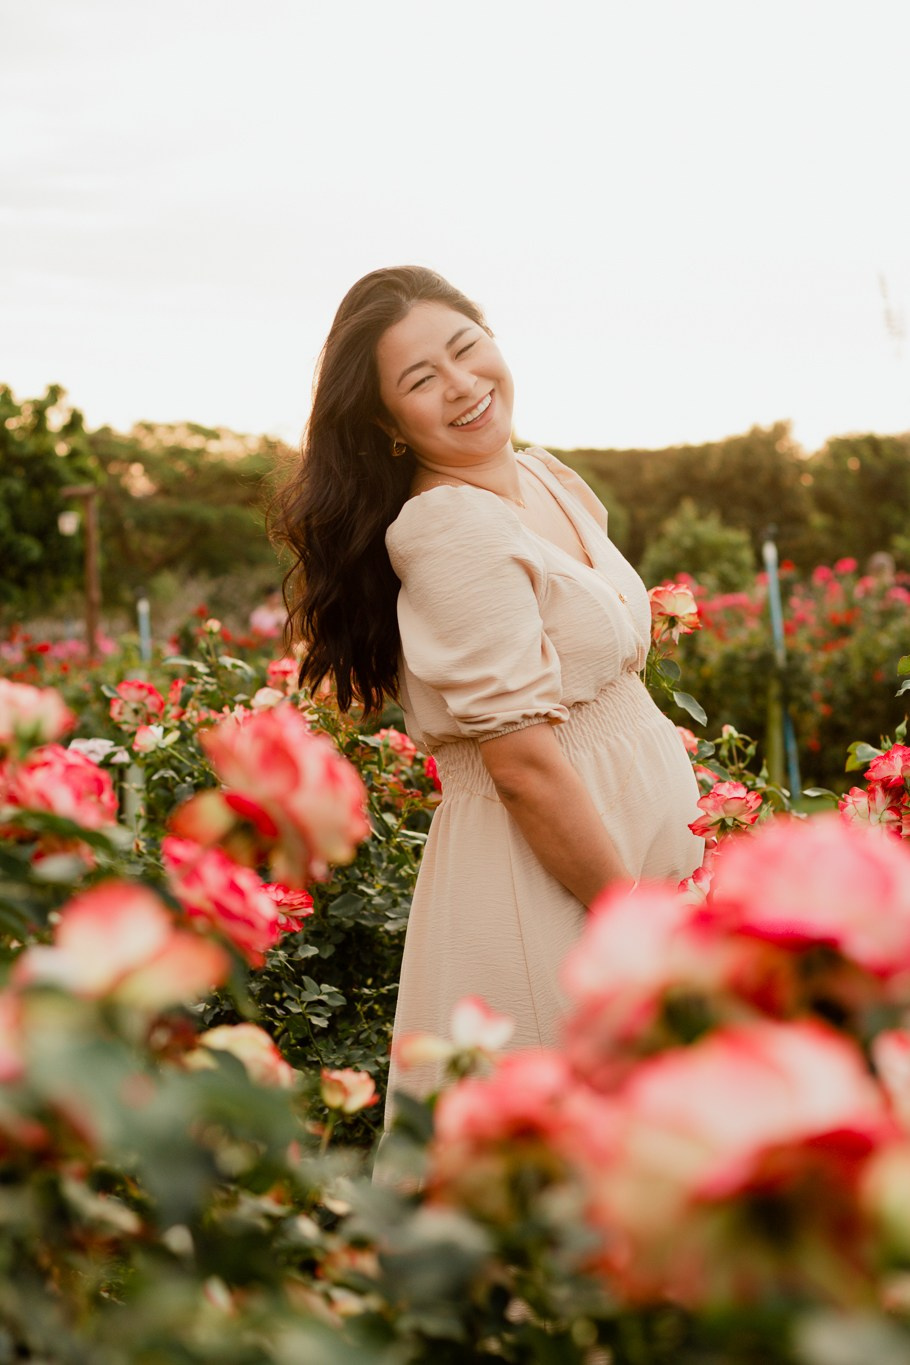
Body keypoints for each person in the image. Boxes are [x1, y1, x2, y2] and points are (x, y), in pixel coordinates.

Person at [274, 266, 703, 1113]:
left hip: (632, 857)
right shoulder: (450, 529)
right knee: (562, 1170)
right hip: (553, 883)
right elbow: (523, 766)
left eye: (466, 349)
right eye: (420, 380)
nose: (463, 385)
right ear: (387, 423)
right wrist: (629, 926)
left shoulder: (545, 480)